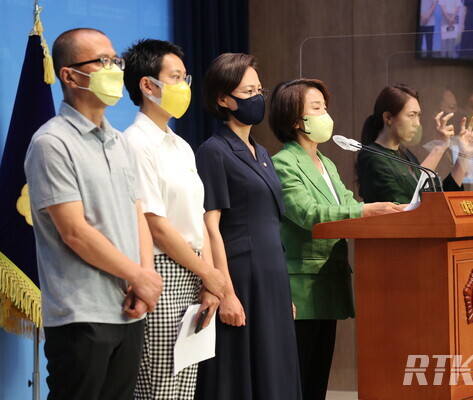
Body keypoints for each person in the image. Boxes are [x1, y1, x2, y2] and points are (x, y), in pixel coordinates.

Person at [24, 28, 163, 400]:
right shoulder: (52, 142)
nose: (115, 69)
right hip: (81, 314)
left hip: (129, 309)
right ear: (68, 75)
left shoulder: (119, 141)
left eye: (115, 60)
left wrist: (144, 276)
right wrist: (136, 274)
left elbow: (137, 213)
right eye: (102, 61)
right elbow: (74, 231)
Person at [269, 79, 403, 400]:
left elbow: (346, 206)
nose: (325, 115)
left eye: (325, 108)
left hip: (329, 284)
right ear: (294, 120)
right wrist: (368, 209)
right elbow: (309, 213)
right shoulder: (283, 162)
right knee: (298, 382)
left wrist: (370, 213)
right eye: (316, 108)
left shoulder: (327, 162)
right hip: (301, 290)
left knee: (317, 382)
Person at [194, 53, 302, 400]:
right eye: (247, 90)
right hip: (241, 276)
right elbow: (211, 225)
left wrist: (284, 291)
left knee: (277, 369)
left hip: (272, 275)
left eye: (259, 89)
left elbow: (272, 224)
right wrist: (226, 292)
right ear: (223, 99)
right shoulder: (214, 151)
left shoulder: (264, 152)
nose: (257, 98)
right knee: (243, 373)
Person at [122, 39, 225, 399]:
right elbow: (155, 224)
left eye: (186, 78)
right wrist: (208, 273)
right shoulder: (134, 143)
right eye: (176, 77)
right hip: (162, 268)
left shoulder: (181, 145)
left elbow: (197, 219)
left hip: (194, 269)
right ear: (148, 85)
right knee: (158, 387)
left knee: (184, 387)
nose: (184, 87)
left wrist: (210, 281)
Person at [356, 83, 473, 204]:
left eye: (418, 115)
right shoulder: (373, 158)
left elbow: (438, 198)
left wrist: (464, 155)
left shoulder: (406, 154)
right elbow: (405, 209)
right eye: (411, 115)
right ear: (388, 117)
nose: (417, 123)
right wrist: (440, 147)